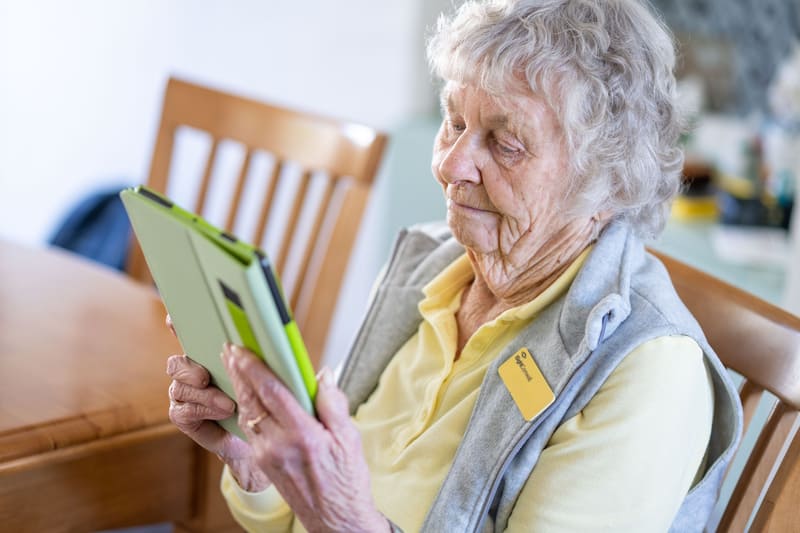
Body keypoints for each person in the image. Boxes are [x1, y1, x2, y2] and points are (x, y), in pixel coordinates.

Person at [166, 0, 743, 531]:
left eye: (505, 143)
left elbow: (330, 512)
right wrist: (253, 455)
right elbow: (294, 516)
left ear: (607, 181)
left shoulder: (646, 371)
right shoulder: (431, 265)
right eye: (456, 121)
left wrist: (342, 517)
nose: (449, 164)